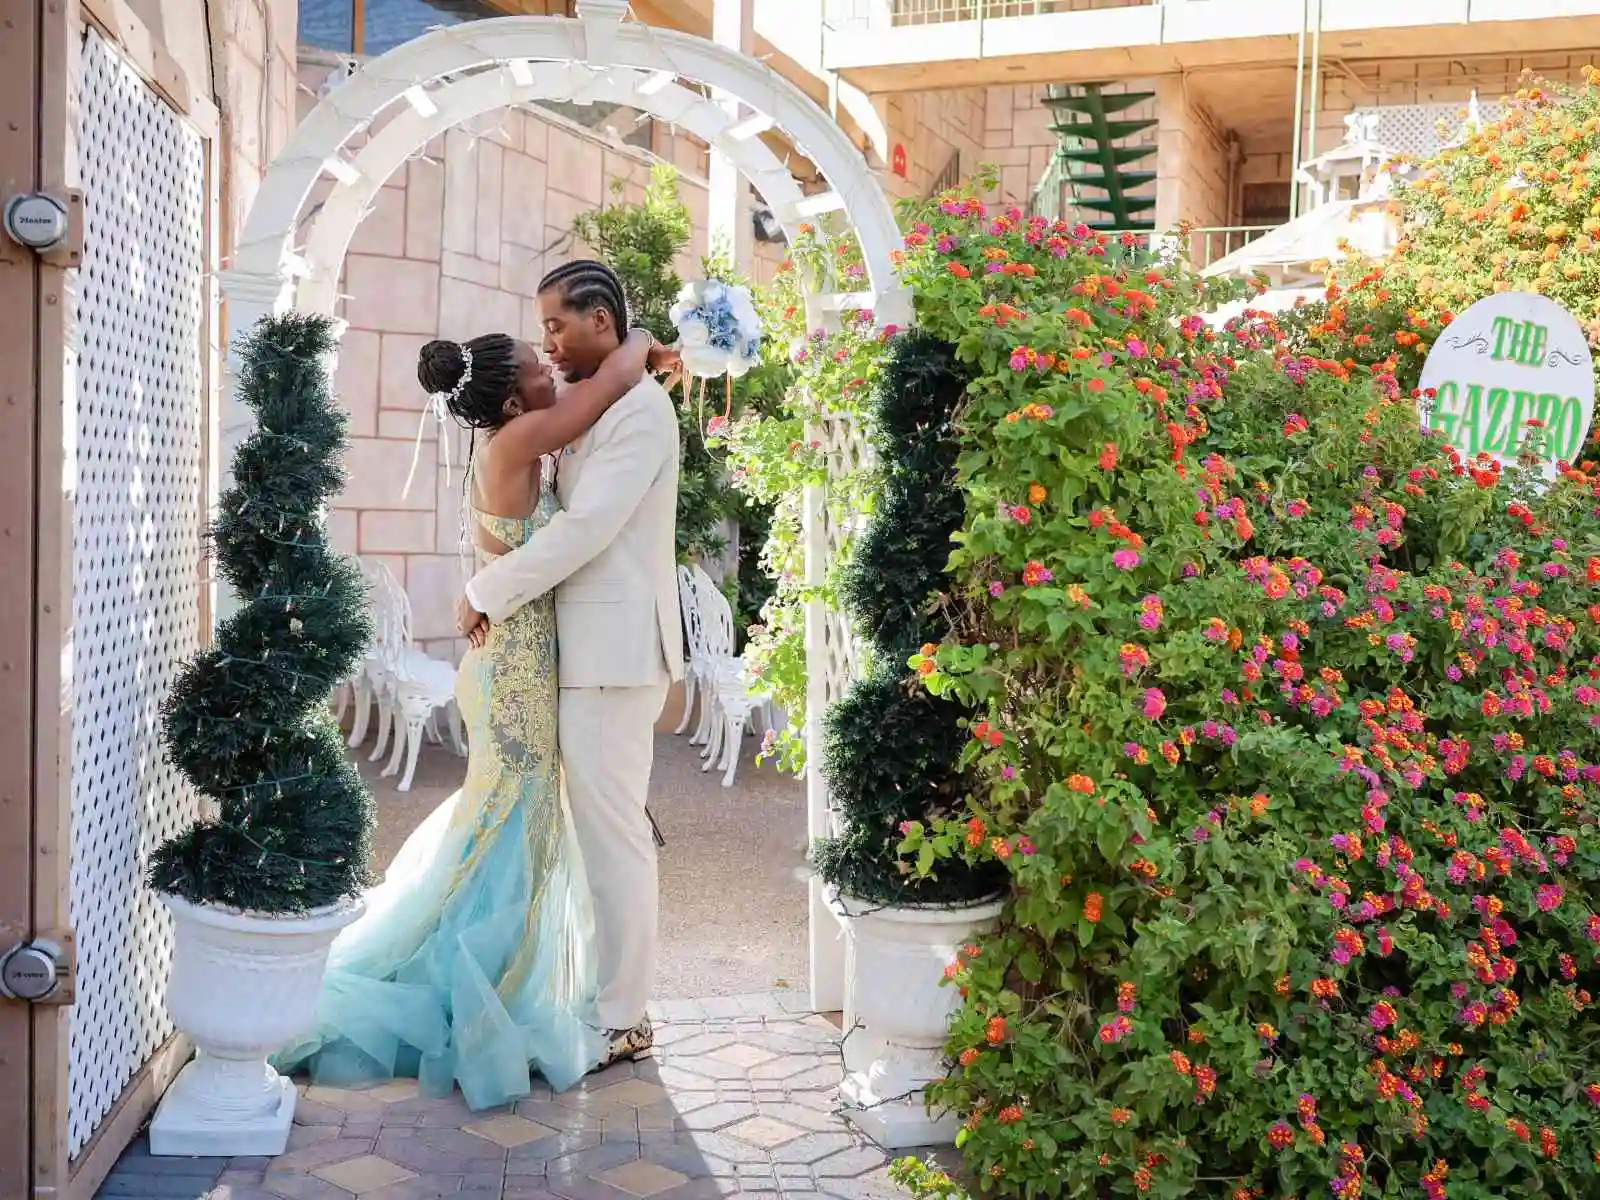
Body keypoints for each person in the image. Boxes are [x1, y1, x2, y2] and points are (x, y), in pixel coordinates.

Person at [273, 320, 678, 1112]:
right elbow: (604, 389)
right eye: (536, 364)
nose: (548, 370)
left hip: (522, 661)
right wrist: (648, 345)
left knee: (509, 822)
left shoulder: (513, 440)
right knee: (506, 825)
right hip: (516, 668)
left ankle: (511, 982)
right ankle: (471, 981)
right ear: (508, 397)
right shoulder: (521, 437)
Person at [456, 259, 684, 1073]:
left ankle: (623, 1018)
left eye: (555, 324)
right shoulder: (600, 402)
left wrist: (485, 588)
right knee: (590, 840)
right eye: (542, 328)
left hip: (614, 659)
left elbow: (586, 529)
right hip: (576, 655)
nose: (547, 343)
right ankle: (601, 998)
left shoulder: (643, 412)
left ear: (600, 320)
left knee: (614, 839)